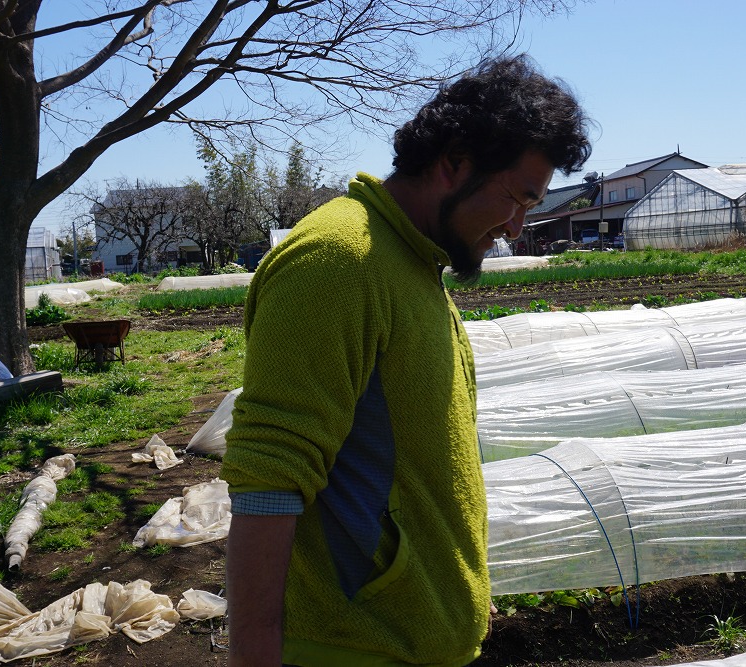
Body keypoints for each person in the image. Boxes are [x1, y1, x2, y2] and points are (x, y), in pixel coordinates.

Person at [220, 55, 591, 666]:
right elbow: (269, 480)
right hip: (354, 647)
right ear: (453, 162)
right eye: (518, 199)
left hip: (412, 642)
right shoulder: (339, 262)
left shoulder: (415, 264)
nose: (517, 228)